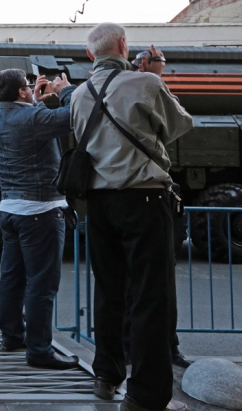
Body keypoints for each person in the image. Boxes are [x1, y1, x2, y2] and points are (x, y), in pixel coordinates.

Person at [70, 22, 193, 411]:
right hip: (143, 198)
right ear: (124, 45)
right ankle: (145, 395)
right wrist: (153, 77)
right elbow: (178, 126)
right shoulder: (146, 83)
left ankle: (106, 376)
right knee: (150, 296)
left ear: (91, 55)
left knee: (108, 290)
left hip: (99, 202)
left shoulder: (77, 94)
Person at [0, 69, 80, 370]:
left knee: (13, 278)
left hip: (9, 209)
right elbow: (76, 114)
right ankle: (39, 350)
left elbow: (26, 126)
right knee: (41, 283)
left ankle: (12, 336)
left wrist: (35, 101)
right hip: (41, 210)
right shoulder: (34, 119)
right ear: (22, 92)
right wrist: (64, 89)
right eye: (28, 86)